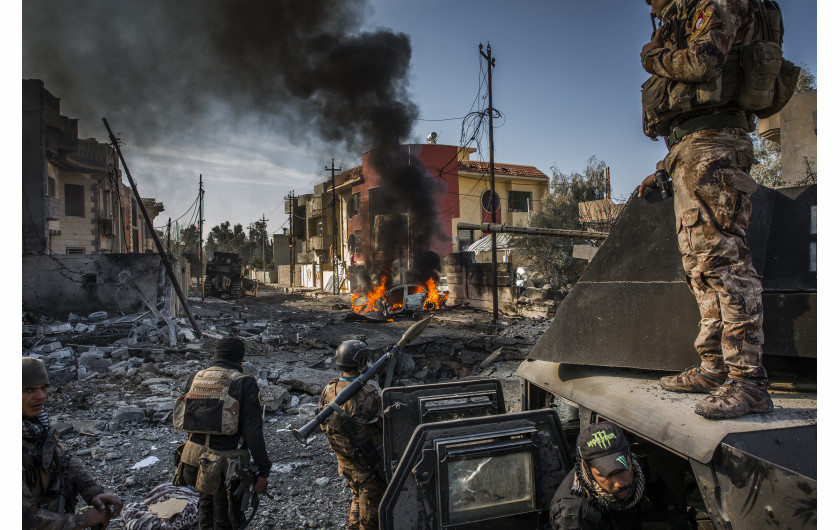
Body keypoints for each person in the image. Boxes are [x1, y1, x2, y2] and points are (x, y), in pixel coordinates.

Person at [637, 0, 774, 419]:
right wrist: (666, 166)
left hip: (714, 146)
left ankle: (748, 383)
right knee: (699, 265)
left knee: (724, 262)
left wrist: (652, 56)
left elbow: (704, 62)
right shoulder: (684, 12)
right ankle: (715, 368)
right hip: (692, 147)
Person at [172, 338, 270, 529]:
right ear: (240, 360)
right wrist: (264, 469)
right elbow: (253, 431)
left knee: (205, 505)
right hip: (226, 466)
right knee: (228, 518)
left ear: (216, 355)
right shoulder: (244, 382)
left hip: (192, 461)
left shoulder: (196, 377)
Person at [22, 357, 124, 529]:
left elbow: (64, 460)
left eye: (44, 388)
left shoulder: (36, 426)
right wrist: (81, 520)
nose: (40, 396)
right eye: (29, 390)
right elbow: (23, 519)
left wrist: (93, 492)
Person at [316, 340, 385, 530]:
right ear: (362, 362)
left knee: (356, 496)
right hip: (366, 463)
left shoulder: (329, 389)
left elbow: (322, 420)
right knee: (371, 509)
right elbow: (384, 426)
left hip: (344, 460)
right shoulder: (369, 394)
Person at [550, 422, 645, 529]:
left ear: (629, 457)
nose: (620, 483)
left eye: (623, 470)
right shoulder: (574, 514)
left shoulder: (637, 469)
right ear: (588, 470)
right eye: (607, 475)